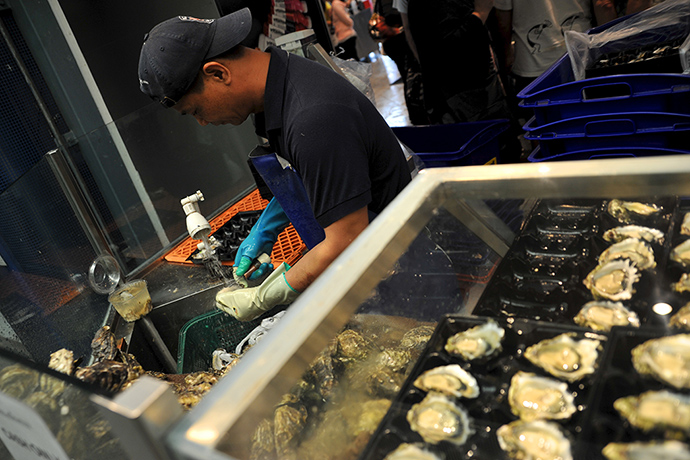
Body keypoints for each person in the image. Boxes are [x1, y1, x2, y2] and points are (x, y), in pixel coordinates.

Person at [138, 8, 411, 321]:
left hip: (401, 274)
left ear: (218, 73)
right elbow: (317, 175)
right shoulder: (279, 88)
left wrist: (263, 297)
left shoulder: (313, 117)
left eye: (195, 110)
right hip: (372, 261)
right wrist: (266, 227)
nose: (202, 123)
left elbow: (346, 240)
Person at [495, 0, 617, 120]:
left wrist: (506, 54)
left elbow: (503, 20)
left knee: (542, 128)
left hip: (534, 64)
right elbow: (604, 5)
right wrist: (612, 54)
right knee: (591, 122)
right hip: (581, 57)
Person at [404, 0, 516, 126]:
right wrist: (480, 13)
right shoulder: (430, 4)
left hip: (472, 92)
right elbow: (449, 50)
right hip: (463, 97)